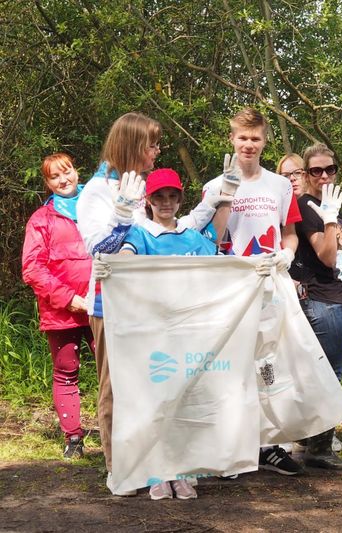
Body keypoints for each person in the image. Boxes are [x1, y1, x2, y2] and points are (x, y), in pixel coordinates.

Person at [76, 111, 220, 495]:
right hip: (112, 306)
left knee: (153, 385)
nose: (156, 151)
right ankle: (117, 465)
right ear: (134, 145)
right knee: (115, 387)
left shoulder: (140, 187)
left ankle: (154, 462)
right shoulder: (96, 190)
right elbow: (100, 252)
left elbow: (168, 232)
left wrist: (215, 202)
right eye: (152, 144)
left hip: (153, 307)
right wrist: (122, 216)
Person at [203, 107, 303, 476]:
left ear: (264, 141)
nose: (248, 144)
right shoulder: (215, 185)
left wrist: (288, 253)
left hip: (270, 287)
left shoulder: (278, 185)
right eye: (242, 138)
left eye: (255, 139)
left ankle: (269, 444)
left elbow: (289, 231)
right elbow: (212, 238)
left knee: (269, 365)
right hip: (230, 288)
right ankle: (233, 445)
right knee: (232, 365)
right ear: (232, 138)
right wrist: (226, 196)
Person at [116, 168, 219, 499]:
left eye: (172, 197)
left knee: (183, 403)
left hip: (187, 332)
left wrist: (261, 269)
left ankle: (182, 470)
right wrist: (113, 264)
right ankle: (155, 472)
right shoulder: (141, 234)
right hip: (153, 333)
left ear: (179, 200)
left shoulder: (192, 236)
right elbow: (125, 257)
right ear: (148, 200)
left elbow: (219, 264)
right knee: (155, 402)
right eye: (159, 197)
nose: (166, 203)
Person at [22, 153, 95, 459]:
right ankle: (73, 438)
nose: (64, 180)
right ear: (47, 183)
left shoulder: (97, 207)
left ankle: (123, 432)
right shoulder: (41, 219)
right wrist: (69, 299)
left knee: (116, 369)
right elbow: (32, 269)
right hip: (62, 310)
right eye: (55, 176)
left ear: (76, 172)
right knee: (67, 371)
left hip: (102, 305)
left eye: (67, 172)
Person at [287, 143, 342, 469]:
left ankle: (313, 442)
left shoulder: (332, 207)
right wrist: (329, 221)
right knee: (328, 374)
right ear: (307, 174)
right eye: (316, 170)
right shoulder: (306, 206)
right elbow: (327, 256)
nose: (324, 175)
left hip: (337, 297)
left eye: (330, 169)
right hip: (321, 300)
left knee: (325, 372)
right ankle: (319, 448)